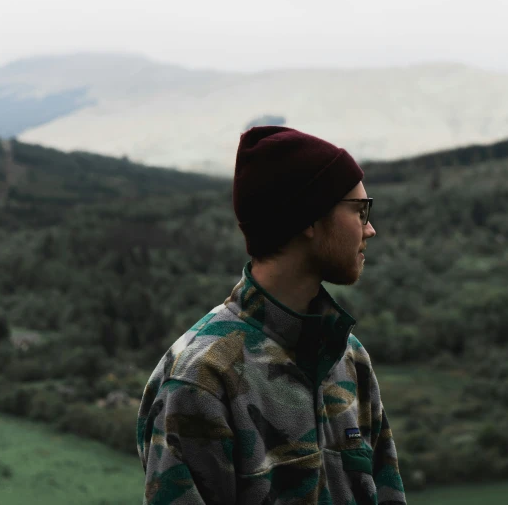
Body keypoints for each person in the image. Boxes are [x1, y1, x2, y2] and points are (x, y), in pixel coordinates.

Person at [136, 126, 407, 504]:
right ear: (309, 218)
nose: (371, 229)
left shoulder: (348, 357)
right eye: (360, 211)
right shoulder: (201, 380)